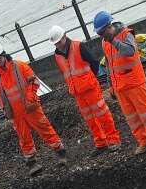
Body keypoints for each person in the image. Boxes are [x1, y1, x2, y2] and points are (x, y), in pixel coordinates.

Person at [0, 41, 67, 176]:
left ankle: (61, 153)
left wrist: (30, 97)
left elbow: (33, 81)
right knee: (24, 138)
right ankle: (32, 162)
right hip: (15, 112)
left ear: (4, 54)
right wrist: (5, 110)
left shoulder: (19, 66)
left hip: (30, 107)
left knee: (45, 129)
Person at [93, 11, 146, 155]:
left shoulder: (126, 34)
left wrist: (113, 40)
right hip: (119, 86)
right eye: (100, 34)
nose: (102, 36)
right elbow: (109, 64)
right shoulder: (104, 42)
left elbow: (129, 51)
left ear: (110, 26)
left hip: (134, 82)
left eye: (103, 32)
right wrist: (110, 85)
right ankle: (144, 140)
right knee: (132, 118)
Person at [48, 25, 120, 155]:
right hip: (77, 91)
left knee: (102, 114)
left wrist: (89, 78)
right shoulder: (57, 55)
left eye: (59, 41)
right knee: (90, 119)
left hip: (90, 87)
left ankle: (113, 140)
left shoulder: (78, 46)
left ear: (65, 36)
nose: (58, 45)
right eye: (56, 43)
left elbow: (94, 63)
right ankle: (101, 143)